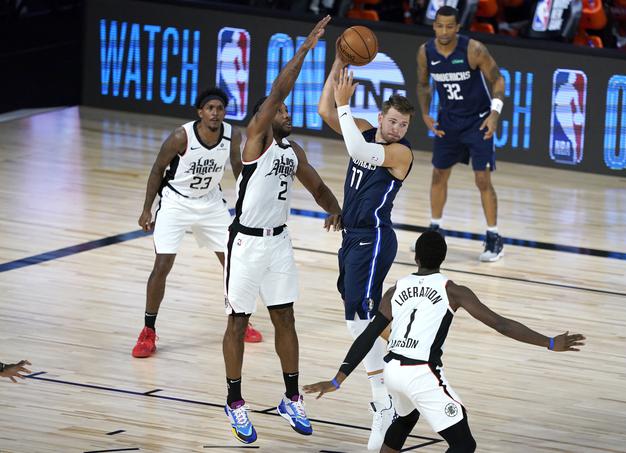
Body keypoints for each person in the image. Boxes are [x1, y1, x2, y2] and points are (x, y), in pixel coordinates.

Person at [304, 231, 586, 452]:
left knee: (405, 419)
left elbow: (368, 335)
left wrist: (338, 378)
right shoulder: (453, 291)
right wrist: (550, 342)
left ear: (417, 259)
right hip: (420, 373)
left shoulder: (395, 289)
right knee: (464, 445)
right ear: (443, 259)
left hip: (392, 372)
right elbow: (500, 324)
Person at [222, 16, 341, 445]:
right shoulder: (255, 141)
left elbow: (319, 187)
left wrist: (336, 210)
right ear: (266, 116)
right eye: (282, 111)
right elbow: (278, 92)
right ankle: (235, 401)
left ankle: (291, 397)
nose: (288, 114)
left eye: (288, 111)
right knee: (237, 321)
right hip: (247, 242)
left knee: (285, 317)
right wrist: (308, 48)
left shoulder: (293, 151)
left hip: (280, 243)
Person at [317, 48, 415, 449]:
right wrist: (340, 62)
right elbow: (326, 110)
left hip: (375, 239)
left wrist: (344, 105)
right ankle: (412, 354)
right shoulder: (363, 129)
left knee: (362, 314)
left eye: (403, 124)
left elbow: (358, 152)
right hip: (351, 235)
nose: (396, 129)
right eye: (392, 121)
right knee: (358, 311)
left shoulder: (401, 154)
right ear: (380, 118)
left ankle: (383, 402)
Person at [132, 87, 263, 359]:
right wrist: (147, 209)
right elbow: (158, 168)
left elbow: (237, 166)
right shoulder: (182, 136)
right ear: (200, 112)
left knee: (233, 262)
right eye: (210, 108)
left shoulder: (231, 134)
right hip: (176, 202)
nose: (216, 113)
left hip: (211, 203)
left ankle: (241, 321)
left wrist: (246, 198)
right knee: (162, 265)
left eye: (220, 108)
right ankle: (148, 330)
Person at [416, 6, 506, 262]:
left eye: (449, 26)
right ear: (434, 26)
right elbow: (423, 84)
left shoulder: (473, 49)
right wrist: (425, 113)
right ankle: (434, 230)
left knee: (482, 180)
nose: (444, 31)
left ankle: (493, 237)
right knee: (438, 175)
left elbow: (498, 80)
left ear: (457, 28)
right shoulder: (425, 52)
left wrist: (494, 114)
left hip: (478, 122)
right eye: (440, 25)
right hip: (448, 121)